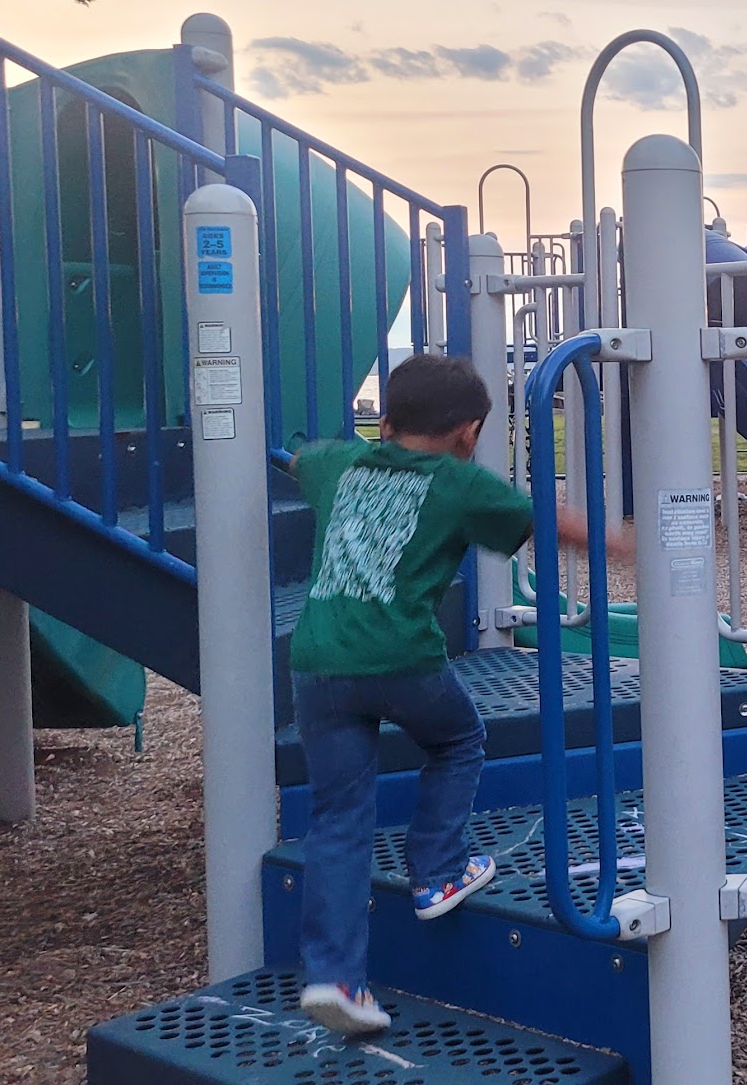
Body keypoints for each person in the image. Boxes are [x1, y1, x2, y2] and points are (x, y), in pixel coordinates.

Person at [288, 354, 628, 1036]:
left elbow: (299, 460)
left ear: (384, 421)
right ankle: (438, 872)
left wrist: (294, 459)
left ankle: (335, 978)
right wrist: (621, 541)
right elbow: (548, 521)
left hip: (317, 662)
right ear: (470, 432)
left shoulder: (337, 464)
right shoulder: (459, 483)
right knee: (458, 738)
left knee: (337, 818)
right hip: (400, 658)